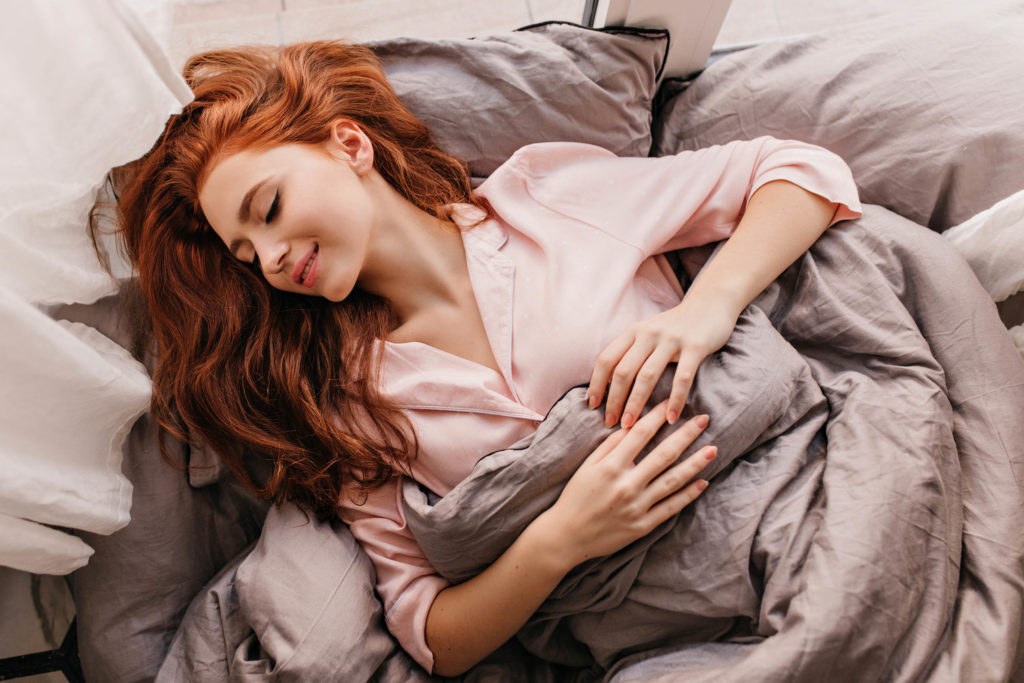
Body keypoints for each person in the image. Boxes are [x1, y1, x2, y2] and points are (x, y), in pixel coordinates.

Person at [110, 40, 861, 676]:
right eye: (247, 253)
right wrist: (561, 536)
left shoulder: (546, 202)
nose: (271, 257)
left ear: (349, 145)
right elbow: (430, 632)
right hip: (658, 638)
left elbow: (797, 172)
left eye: (268, 209)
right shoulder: (343, 403)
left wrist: (706, 309)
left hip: (801, 512)